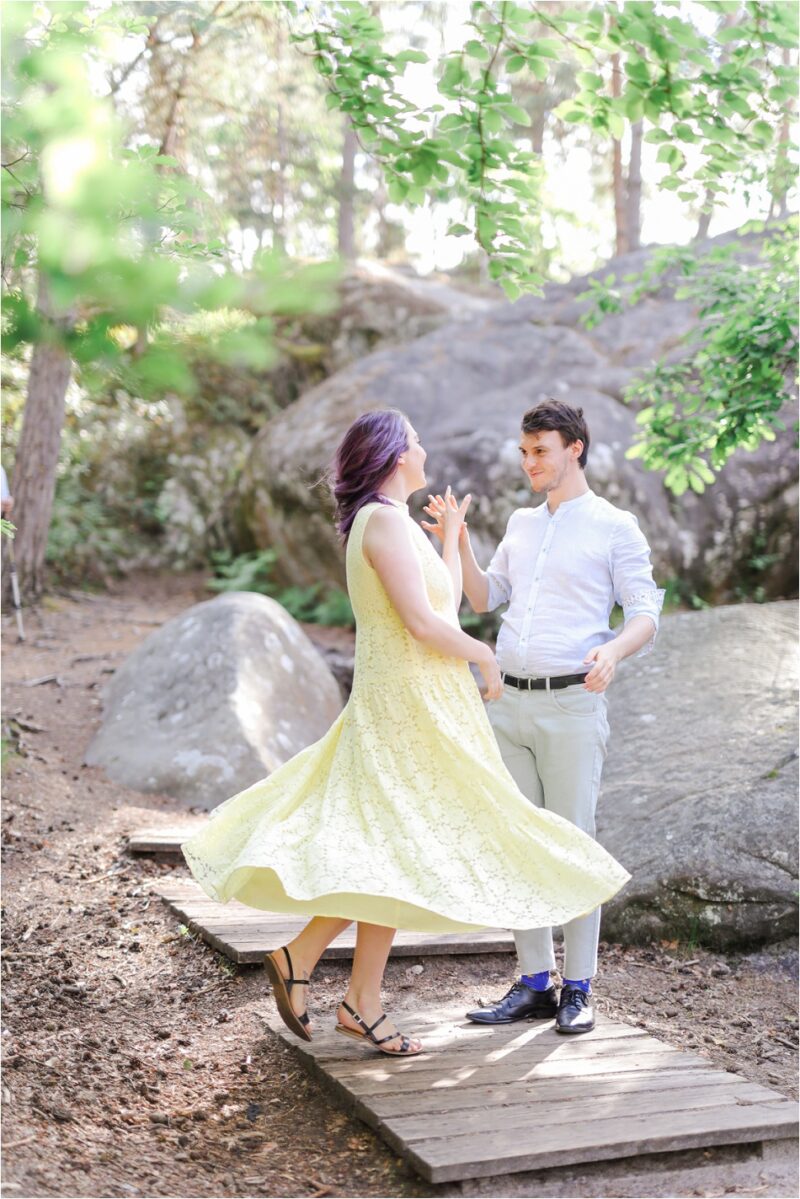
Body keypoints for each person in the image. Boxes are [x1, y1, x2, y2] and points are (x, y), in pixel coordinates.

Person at [182, 409, 630, 1057]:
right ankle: (310, 961)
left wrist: (452, 537)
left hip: (423, 703)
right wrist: (484, 656)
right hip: (403, 707)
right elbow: (422, 624)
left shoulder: (396, 523)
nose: (424, 446)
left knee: (394, 848)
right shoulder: (382, 522)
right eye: (416, 439)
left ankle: (356, 996)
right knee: (392, 846)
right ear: (396, 456)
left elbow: (440, 601)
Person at [423, 399, 663, 1035]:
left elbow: (645, 612)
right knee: (514, 840)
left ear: (574, 449)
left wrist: (613, 648)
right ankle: (533, 983)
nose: (530, 463)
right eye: (524, 452)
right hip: (507, 704)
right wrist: (458, 539)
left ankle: (578, 987)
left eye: (541, 452)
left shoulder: (616, 526)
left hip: (570, 705)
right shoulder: (522, 525)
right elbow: (482, 597)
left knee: (572, 844)